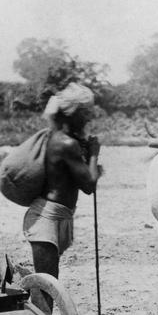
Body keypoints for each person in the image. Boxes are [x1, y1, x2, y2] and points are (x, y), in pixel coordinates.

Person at [23, 83, 101, 288]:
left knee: (49, 281)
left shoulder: (63, 140)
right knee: (47, 283)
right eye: (85, 112)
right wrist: (93, 153)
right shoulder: (66, 143)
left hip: (60, 215)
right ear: (72, 113)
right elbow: (89, 185)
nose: (90, 117)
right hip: (47, 218)